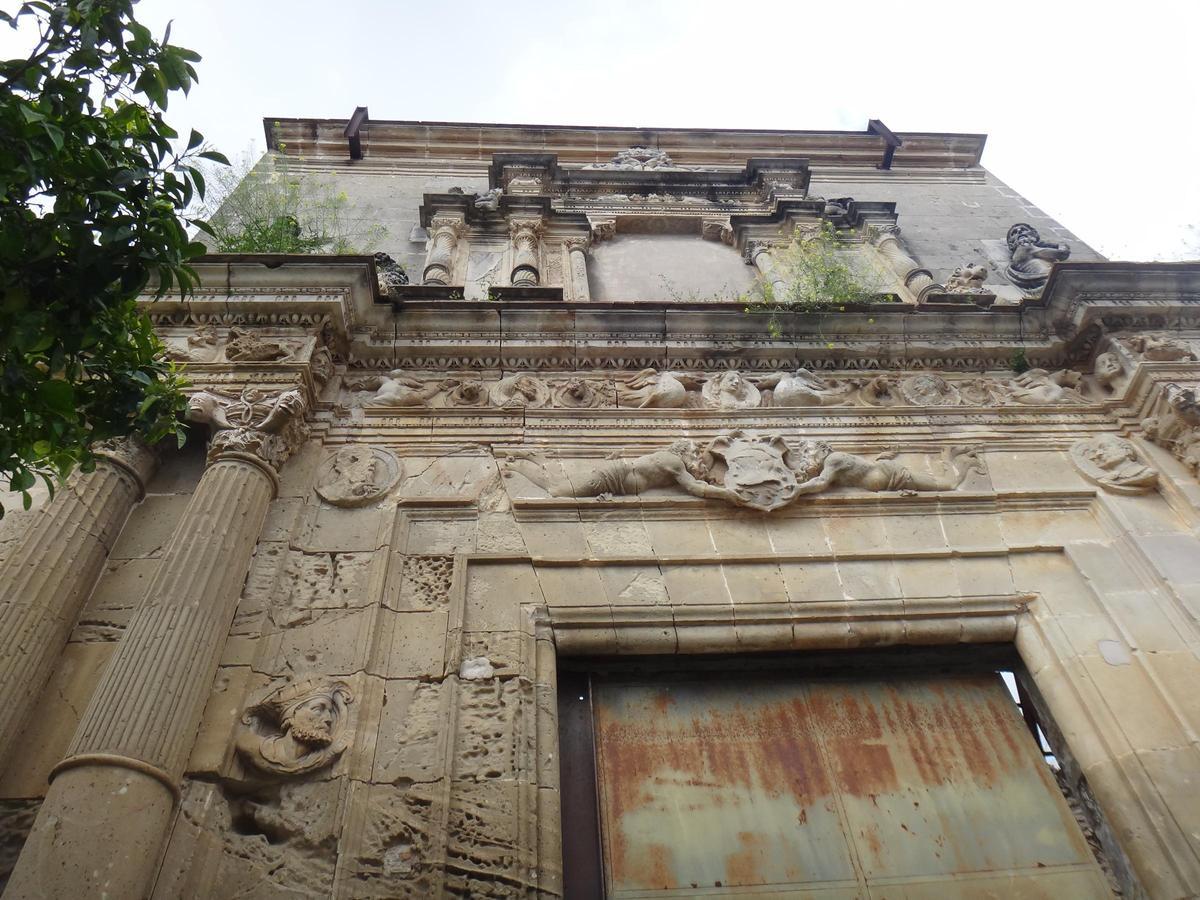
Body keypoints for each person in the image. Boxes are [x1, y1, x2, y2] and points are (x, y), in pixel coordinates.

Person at [501, 441, 740, 503]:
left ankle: (538, 459)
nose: (701, 467)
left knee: (564, 484)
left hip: (616, 482)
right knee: (557, 489)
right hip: (613, 477)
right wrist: (727, 495)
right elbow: (694, 487)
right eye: (698, 459)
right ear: (686, 452)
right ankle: (519, 465)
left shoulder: (668, 465)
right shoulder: (674, 462)